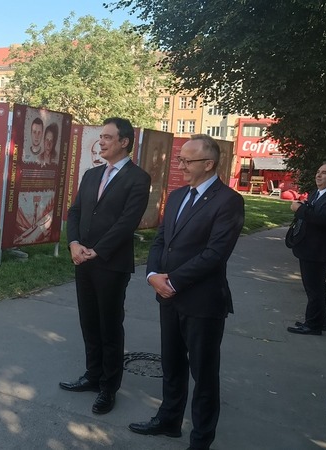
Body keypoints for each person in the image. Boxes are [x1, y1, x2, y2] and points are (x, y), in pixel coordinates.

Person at [129, 134, 244, 450]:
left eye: (186, 160)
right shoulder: (178, 196)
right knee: (172, 364)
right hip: (168, 296)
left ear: (208, 164)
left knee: (204, 376)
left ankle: (201, 439)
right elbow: (160, 241)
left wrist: (173, 282)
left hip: (202, 302)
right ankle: (168, 421)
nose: (179, 165)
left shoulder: (229, 201)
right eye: (180, 159)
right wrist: (153, 274)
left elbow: (215, 254)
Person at [61, 117, 151, 415]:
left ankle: (109, 387)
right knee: (89, 321)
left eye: (107, 137)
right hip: (82, 259)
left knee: (109, 325)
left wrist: (97, 251)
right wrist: (74, 244)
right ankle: (92, 375)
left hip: (111, 264)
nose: (101, 141)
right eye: (100, 137)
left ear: (124, 141)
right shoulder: (91, 174)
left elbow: (127, 222)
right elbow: (74, 213)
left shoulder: (138, 179)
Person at [286, 162, 326, 335]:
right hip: (309, 248)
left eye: (324, 173)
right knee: (315, 287)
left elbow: (323, 219)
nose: (319, 175)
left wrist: (299, 209)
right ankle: (320, 321)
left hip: (318, 250)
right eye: (318, 172)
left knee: (314, 289)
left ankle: (312, 325)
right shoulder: (317, 193)